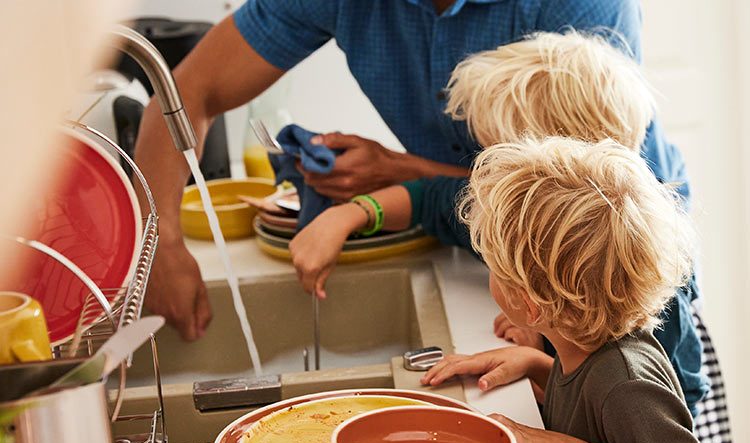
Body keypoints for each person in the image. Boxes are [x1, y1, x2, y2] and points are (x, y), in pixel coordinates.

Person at [133, 0, 686, 343]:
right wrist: (161, 244)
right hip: (510, 273)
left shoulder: (587, 5)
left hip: (610, 264)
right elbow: (188, 92)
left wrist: (398, 169)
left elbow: (585, 200)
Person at [289, 29, 708, 417]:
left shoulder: (639, 280)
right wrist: (350, 214)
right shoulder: (528, 218)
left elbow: (660, 416)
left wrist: (543, 347)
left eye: (498, 154)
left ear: (562, 173)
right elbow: (432, 200)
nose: (485, 176)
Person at [421, 137, 736, 443]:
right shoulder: (590, 354)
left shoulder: (627, 383)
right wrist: (535, 367)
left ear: (532, 307)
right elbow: (602, 420)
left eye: (492, 264)